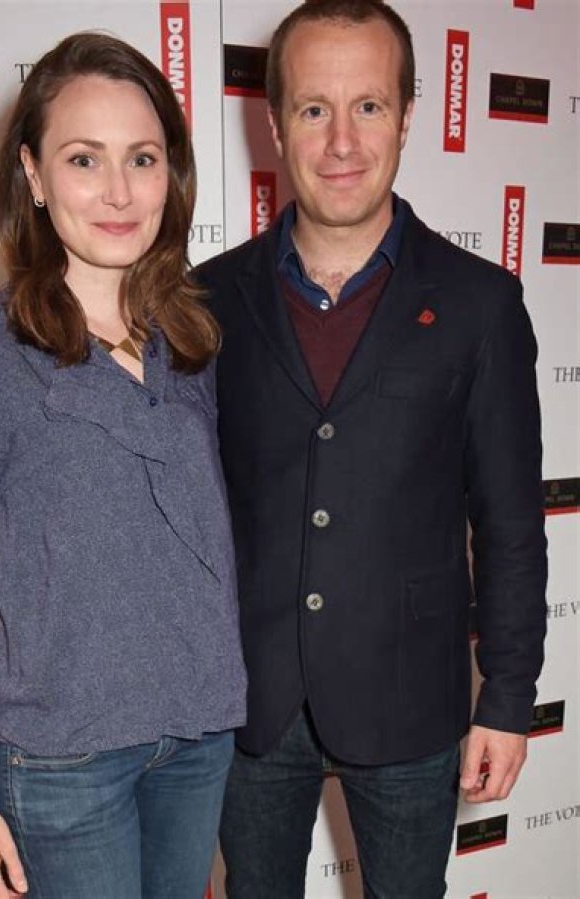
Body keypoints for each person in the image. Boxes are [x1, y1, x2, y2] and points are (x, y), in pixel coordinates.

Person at [194, 1, 547, 896]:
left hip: (411, 698)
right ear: (276, 124)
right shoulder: (205, 299)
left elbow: (510, 524)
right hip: (248, 700)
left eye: (369, 107)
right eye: (315, 108)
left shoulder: (481, 304)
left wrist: (508, 697)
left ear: (408, 116)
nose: (342, 141)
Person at [0, 32, 246, 899]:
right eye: (84, 159)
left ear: (172, 174)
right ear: (33, 173)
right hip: (61, 760)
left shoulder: (194, 339)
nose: (119, 192)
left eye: (143, 158)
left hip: (198, 732)